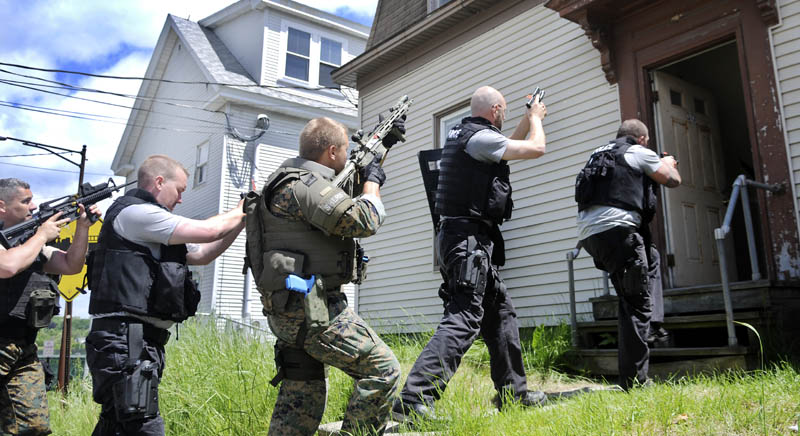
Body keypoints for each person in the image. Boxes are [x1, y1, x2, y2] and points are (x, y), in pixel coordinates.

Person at [392, 85, 548, 421]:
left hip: (466, 240)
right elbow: (536, 148)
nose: (505, 116)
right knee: (464, 316)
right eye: (504, 110)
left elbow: (507, 146)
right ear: (495, 110)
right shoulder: (479, 138)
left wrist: (526, 117)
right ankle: (414, 399)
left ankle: (513, 393)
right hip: (468, 242)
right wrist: (536, 118)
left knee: (500, 312)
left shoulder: (472, 136)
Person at [247, 116, 403, 436]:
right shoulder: (305, 185)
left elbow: (340, 194)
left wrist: (382, 147)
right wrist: (373, 185)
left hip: (289, 308)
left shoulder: (286, 181)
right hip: (313, 312)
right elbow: (361, 219)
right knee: (382, 370)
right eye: (344, 150)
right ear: (332, 152)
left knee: (302, 398)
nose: (346, 155)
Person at [85, 155, 246, 435]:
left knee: (116, 425)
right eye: (179, 190)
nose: (181, 199)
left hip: (136, 341)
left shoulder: (152, 226)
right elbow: (210, 231)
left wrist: (242, 221)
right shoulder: (137, 214)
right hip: (126, 341)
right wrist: (242, 209)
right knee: (143, 424)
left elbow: (203, 253)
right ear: (159, 182)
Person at [575, 119, 681, 390]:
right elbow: (672, 180)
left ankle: (653, 323)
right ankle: (635, 382)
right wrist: (667, 163)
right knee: (635, 303)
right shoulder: (638, 151)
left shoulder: (597, 153)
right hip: (618, 232)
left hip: (591, 236)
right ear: (642, 138)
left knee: (650, 259)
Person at [0, 177, 100, 435]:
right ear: (2, 206)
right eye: (25, 201)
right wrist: (42, 234)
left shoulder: (28, 243)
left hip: (22, 346)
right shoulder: (28, 242)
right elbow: (8, 266)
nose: (33, 206)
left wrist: (82, 227)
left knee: (34, 426)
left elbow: (70, 265)